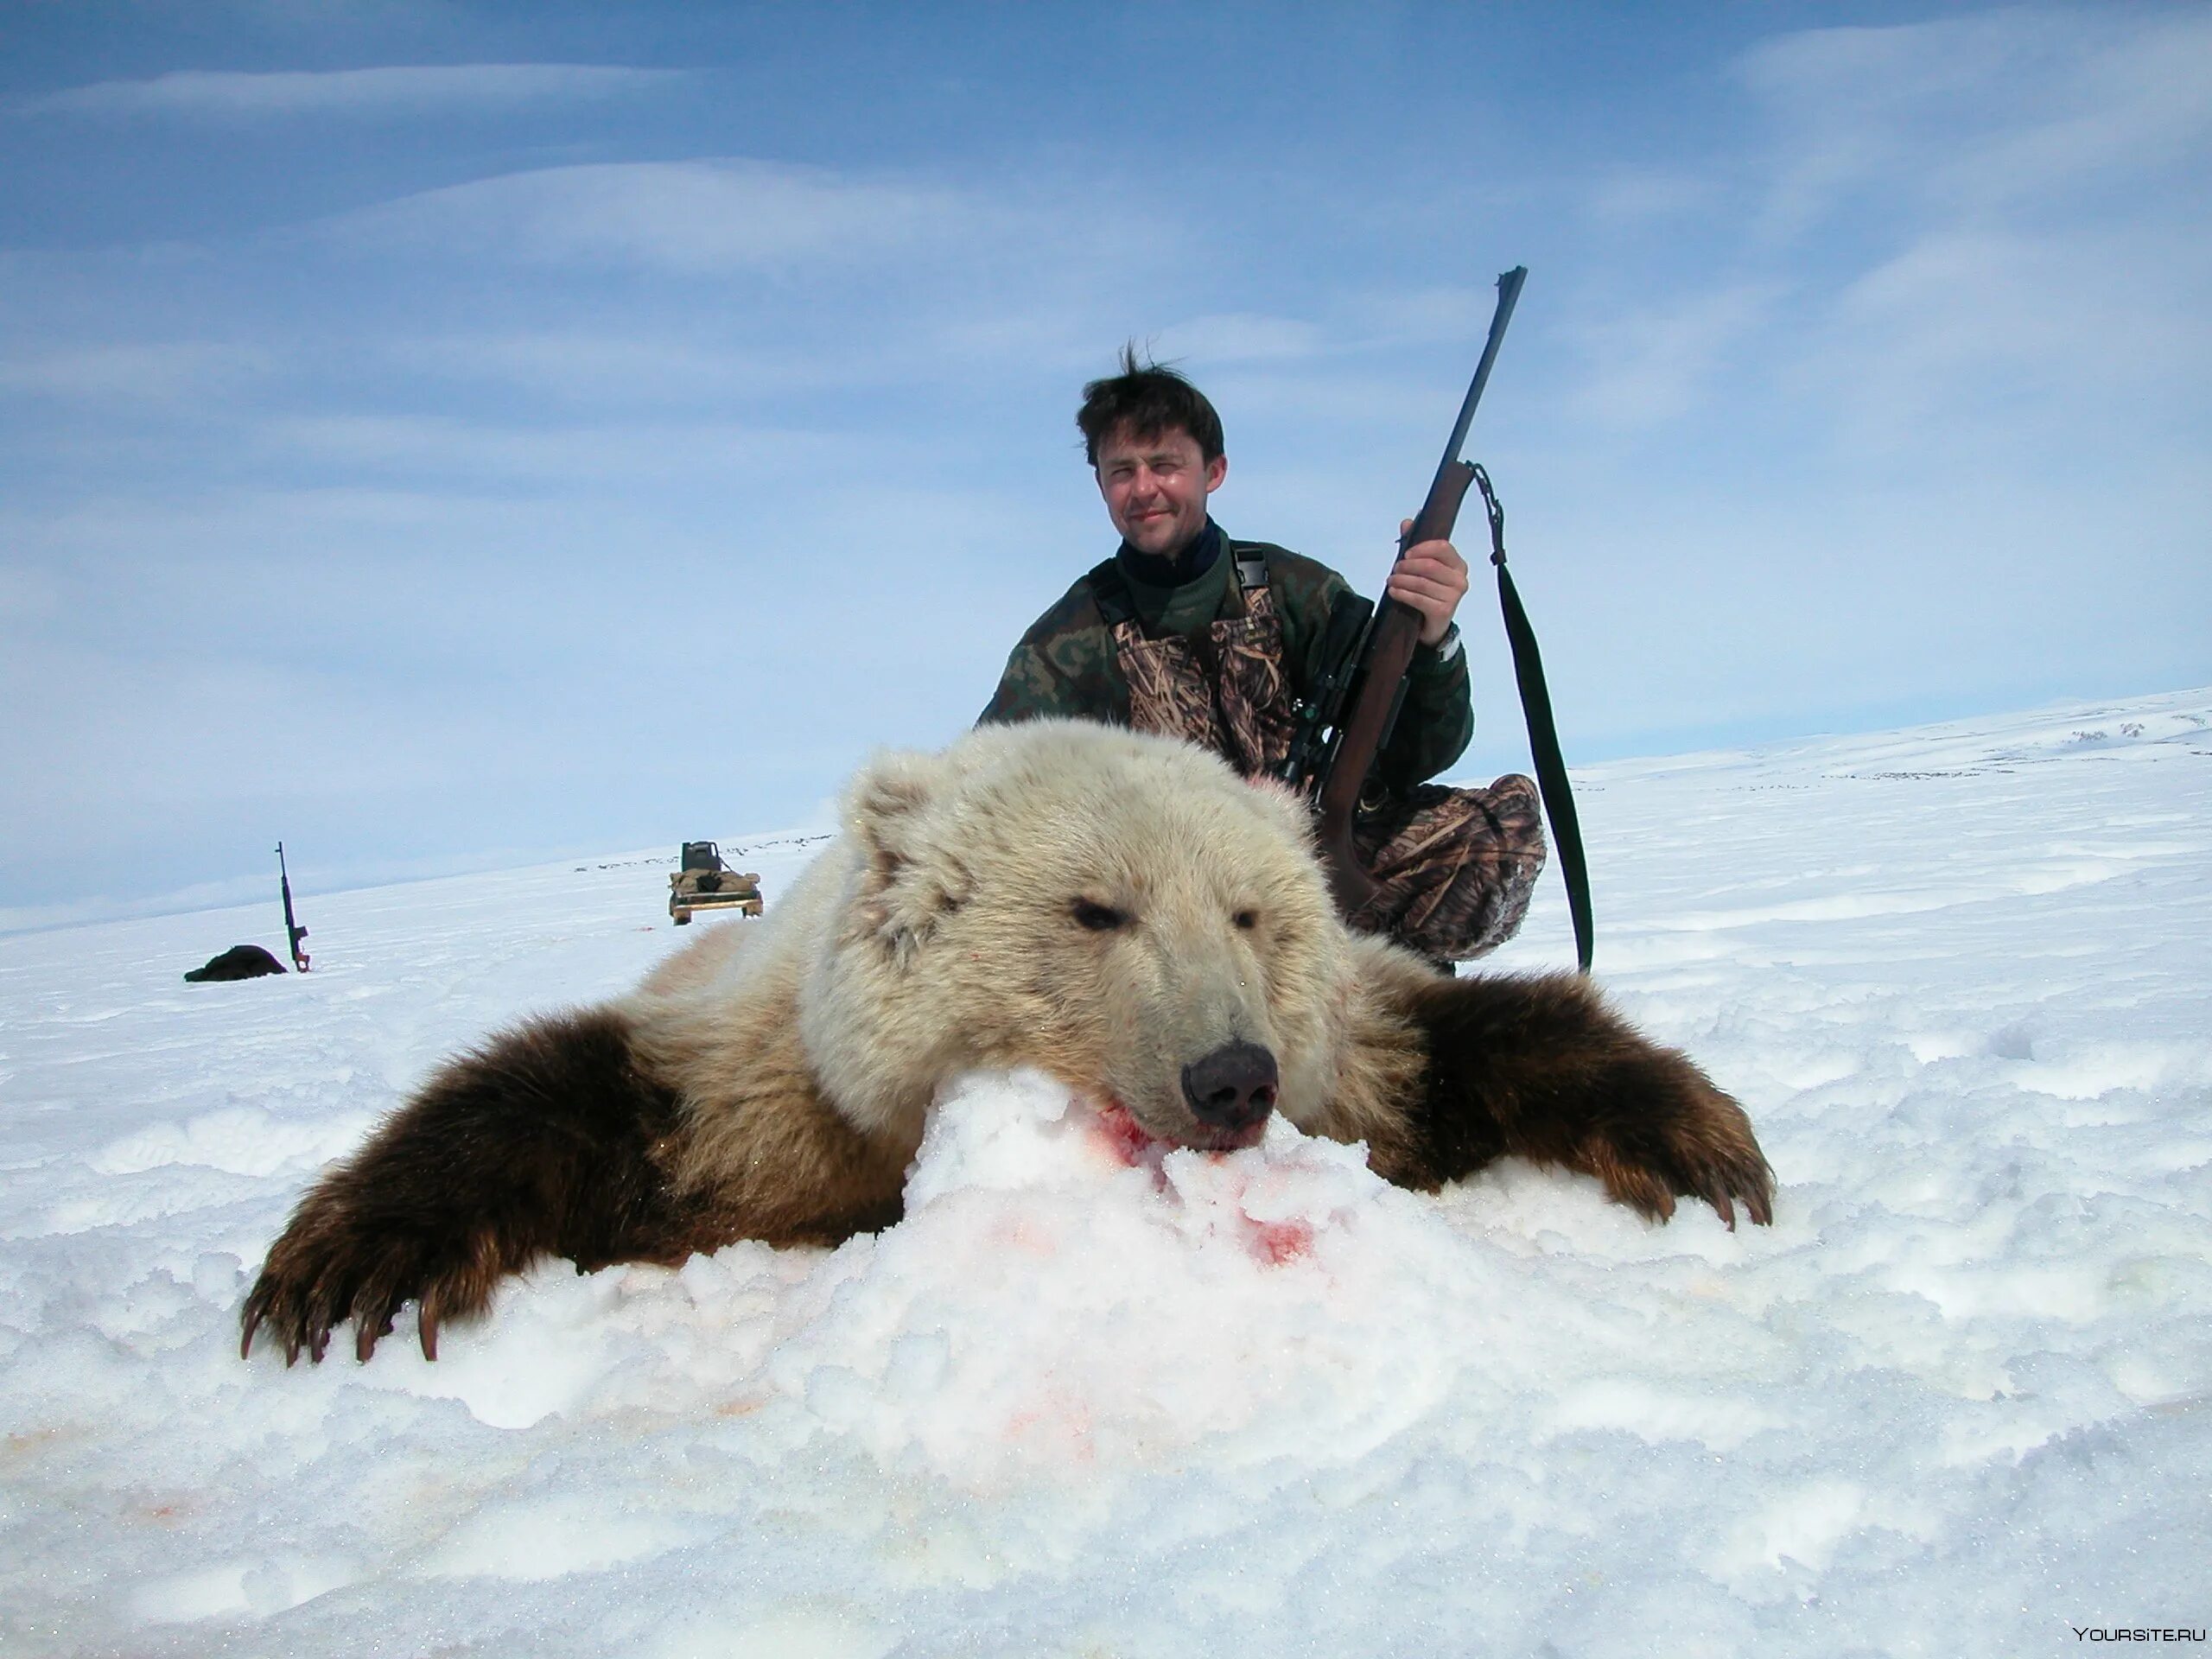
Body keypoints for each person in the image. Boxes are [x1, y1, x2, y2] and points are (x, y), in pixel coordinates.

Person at [980, 349, 1546, 964]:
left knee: (1499, 835)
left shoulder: (1291, 587)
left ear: (1213, 471)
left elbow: (1417, 754)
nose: (1143, 489)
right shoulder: (1068, 639)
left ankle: (1380, 997)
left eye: (1165, 464)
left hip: (1313, 852)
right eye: (1122, 471)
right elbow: (996, 798)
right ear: (1101, 485)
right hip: (1174, 900)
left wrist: (1433, 640)